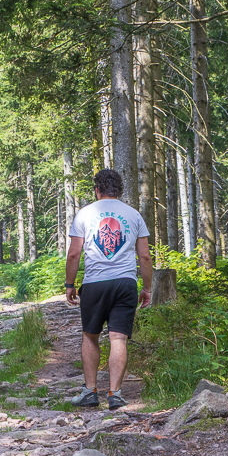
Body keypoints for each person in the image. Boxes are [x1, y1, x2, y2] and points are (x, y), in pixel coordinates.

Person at [64, 168, 152, 410]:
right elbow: (144, 257)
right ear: (120, 190)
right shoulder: (134, 215)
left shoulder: (85, 213)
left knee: (90, 336)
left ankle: (90, 392)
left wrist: (70, 284)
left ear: (97, 189)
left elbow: (74, 253)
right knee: (118, 338)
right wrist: (147, 288)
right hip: (125, 283)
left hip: (94, 282)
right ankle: (115, 394)